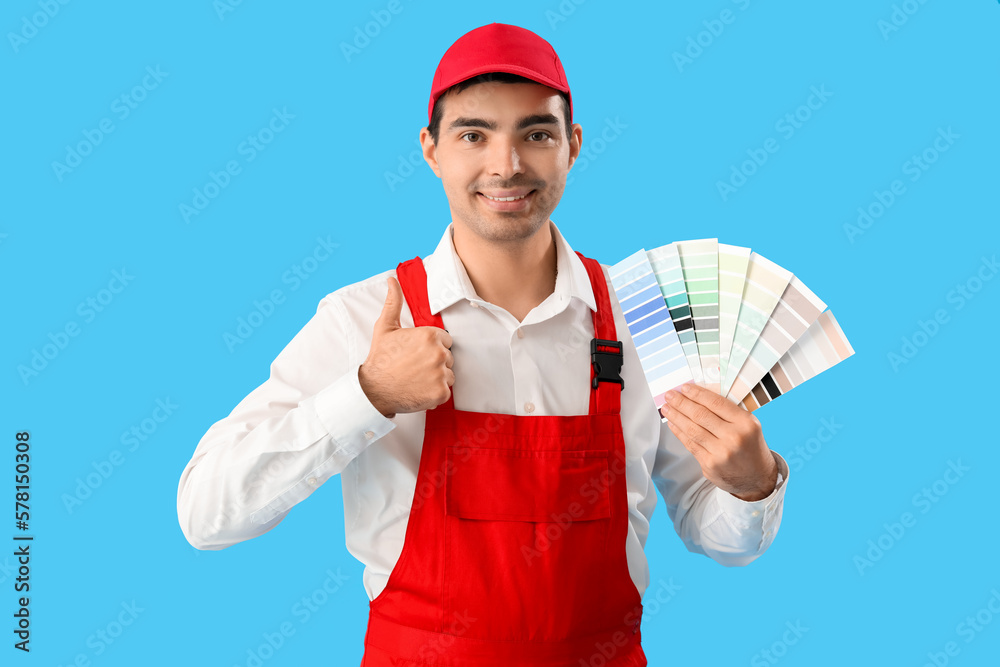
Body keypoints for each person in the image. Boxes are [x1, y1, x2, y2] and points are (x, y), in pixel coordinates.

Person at [176, 22, 789, 666]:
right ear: (431, 150)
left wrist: (753, 487)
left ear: (572, 146)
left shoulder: (648, 318)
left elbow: (720, 536)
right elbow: (207, 513)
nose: (507, 165)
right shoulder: (363, 320)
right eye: (474, 135)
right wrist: (369, 394)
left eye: (536, 133)